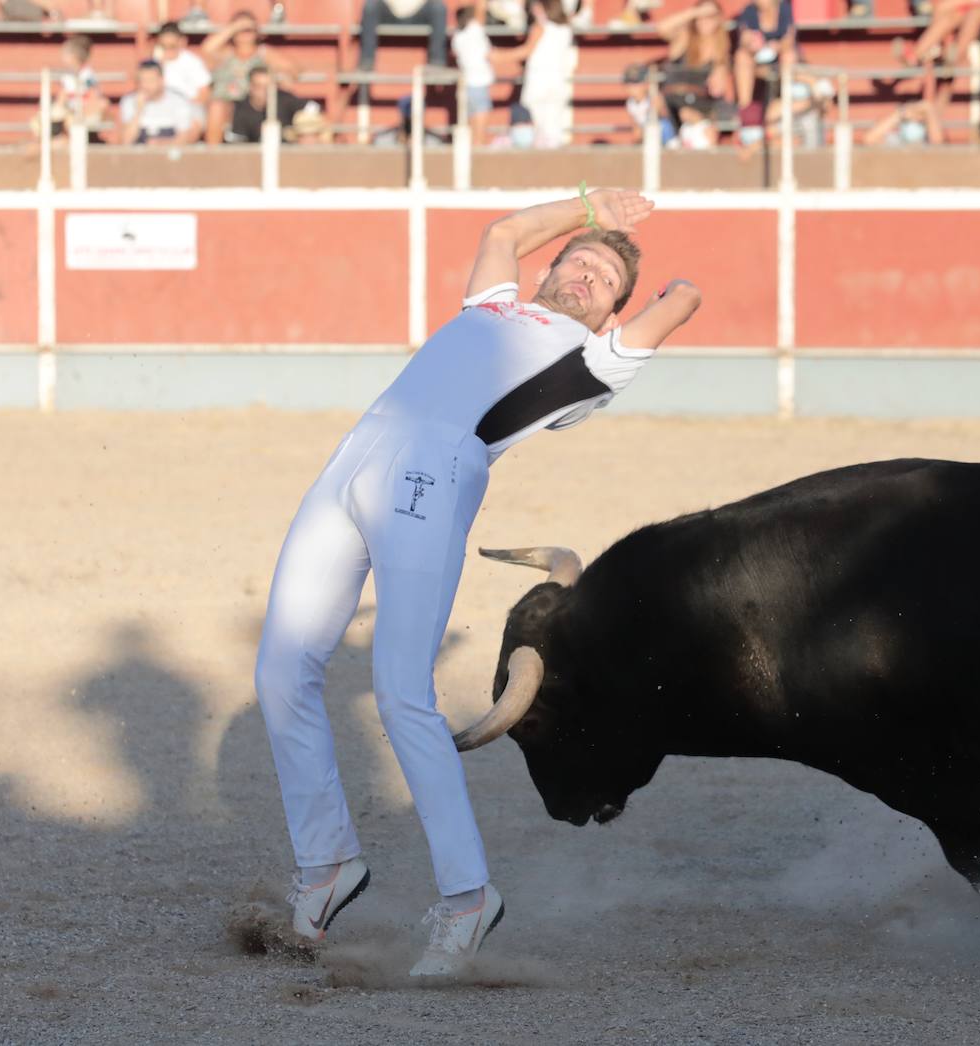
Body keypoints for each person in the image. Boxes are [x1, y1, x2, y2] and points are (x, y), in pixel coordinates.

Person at [254, 187, 701, 979]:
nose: (589, 275)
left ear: (609, 318)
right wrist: (592, 207)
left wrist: (636, 262)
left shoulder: (592, 362)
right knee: (282, 672)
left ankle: (467, 898)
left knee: (400, 692)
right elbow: (505, 230)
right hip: (355, 457)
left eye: (605, 281)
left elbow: (683, 299)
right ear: (547, 271)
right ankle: (327, 866)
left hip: (433, 472)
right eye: (579, 263)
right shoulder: (492, 305)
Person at [202, 11, 298, 144]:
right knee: (216, 107)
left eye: (248, 30)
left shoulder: (264, 53)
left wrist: (279, 78)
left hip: (253, 103)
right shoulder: (226, 53)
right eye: (240, 30)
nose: (245, 34)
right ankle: (213, 155)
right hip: (228, 104)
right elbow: (207, 49)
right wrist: (235, 27)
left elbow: (292, 70)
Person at [504, 0, 577, 148]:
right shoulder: (566, 28)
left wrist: (497, 56)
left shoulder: (539, 27)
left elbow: (526, 51)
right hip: (558, 82)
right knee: (553, 131)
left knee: (533, 129)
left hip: (537, 82)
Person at [656, 1, 735, 131]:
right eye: (701, 17)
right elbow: (662, 28)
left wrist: (720, 73)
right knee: (684, 114)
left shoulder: (721, 48)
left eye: (710, 16)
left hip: (702, 104)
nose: (705, 21)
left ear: (718, 19)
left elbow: (720, 89)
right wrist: (695, 12)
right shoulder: (685, 38)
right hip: (675, 100)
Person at [118, 60, 204, 145]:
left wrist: (160, 145)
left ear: (161, 80)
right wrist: (138, 111)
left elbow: (185, 138)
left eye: (150, 80)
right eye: (142, 81)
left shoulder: (178, 101)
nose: (145, 85)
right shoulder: (129, 101)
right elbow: (126, 141)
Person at [733, 0, 796, 111]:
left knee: (789, 56)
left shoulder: (785, 9)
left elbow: (789, 39)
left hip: (779, 58)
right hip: (756, 59)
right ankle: (745, 108)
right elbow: (744, 39)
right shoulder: (749, 11)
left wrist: (778, 46)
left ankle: (787, 102)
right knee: (741, 56)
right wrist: (751, 43)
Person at [358, 0, 450, 74]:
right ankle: (367, 61)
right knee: (370, 5)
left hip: (419, 11)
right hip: (389, 10)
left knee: (439, 7)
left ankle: (437, 61)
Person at [452, 0, 496, 144]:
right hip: (478, 84)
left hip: (465, 85)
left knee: (470, 129)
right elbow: (481, 8)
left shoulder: (458, 36)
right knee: (480, 133)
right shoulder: (474, 30)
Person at [228, 65, 308, 142]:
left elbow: (313, 108)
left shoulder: (285, 99)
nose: (265, 91)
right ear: (250, 87)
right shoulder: (241, 109)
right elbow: (238, 144)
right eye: (259, 86)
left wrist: (297, 131)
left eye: (268, 87)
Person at [54, 34, 108, 132]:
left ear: (74, 56)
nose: (62, 58)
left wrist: (82, 111)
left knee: (102, 104)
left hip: (84, 111)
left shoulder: (87, 75)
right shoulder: (67, 76)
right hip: (70, 111)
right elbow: (62, 97)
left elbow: (94, 97)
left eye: (66, 54)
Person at [153, 21, 212, 108]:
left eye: (172, 46)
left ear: (182, 42)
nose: (167, 51)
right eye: (163, 46)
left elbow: (204, 93)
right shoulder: (155, 62)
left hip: (189, 107)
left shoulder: (193, 62)